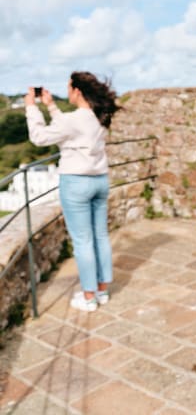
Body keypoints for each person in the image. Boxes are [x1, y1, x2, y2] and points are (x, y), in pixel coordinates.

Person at [25, 72, 121, 312]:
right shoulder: (98, 116)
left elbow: (39, 137)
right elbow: (68, 128)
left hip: (76, 183)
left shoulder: (74, 119)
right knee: (100, 236)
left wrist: (32, 108)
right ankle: (101, 289)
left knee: (83, 242)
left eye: (69, 87)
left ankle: (88, 297)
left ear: (77, 91)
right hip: (99, 180)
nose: (67, 91)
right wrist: (51, 106)